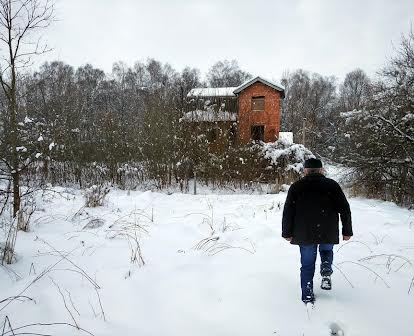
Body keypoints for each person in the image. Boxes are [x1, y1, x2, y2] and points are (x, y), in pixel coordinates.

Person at [282, 158, 353, 304]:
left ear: (305, 171)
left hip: (304, 232)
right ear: (321, 170)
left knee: (307, 264)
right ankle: (326, 270)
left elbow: (288, 211)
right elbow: (345, 209)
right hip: (327, 229)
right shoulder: (332, 185)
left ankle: (307, 294)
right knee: (326, 251)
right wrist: (347, 230)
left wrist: (287, 232)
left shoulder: (297, 187)